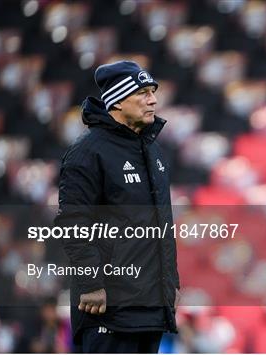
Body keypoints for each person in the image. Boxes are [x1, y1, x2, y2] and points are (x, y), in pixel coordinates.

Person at [54, 60, 180, 353]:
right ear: (119, 101)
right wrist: (90, 283)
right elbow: (72, 222)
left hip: (150, 309)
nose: (154, 100)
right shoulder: (88, 152)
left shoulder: (153, 151)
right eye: (144, 93)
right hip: (108, 309)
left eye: (153, 92)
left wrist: (170, 283)